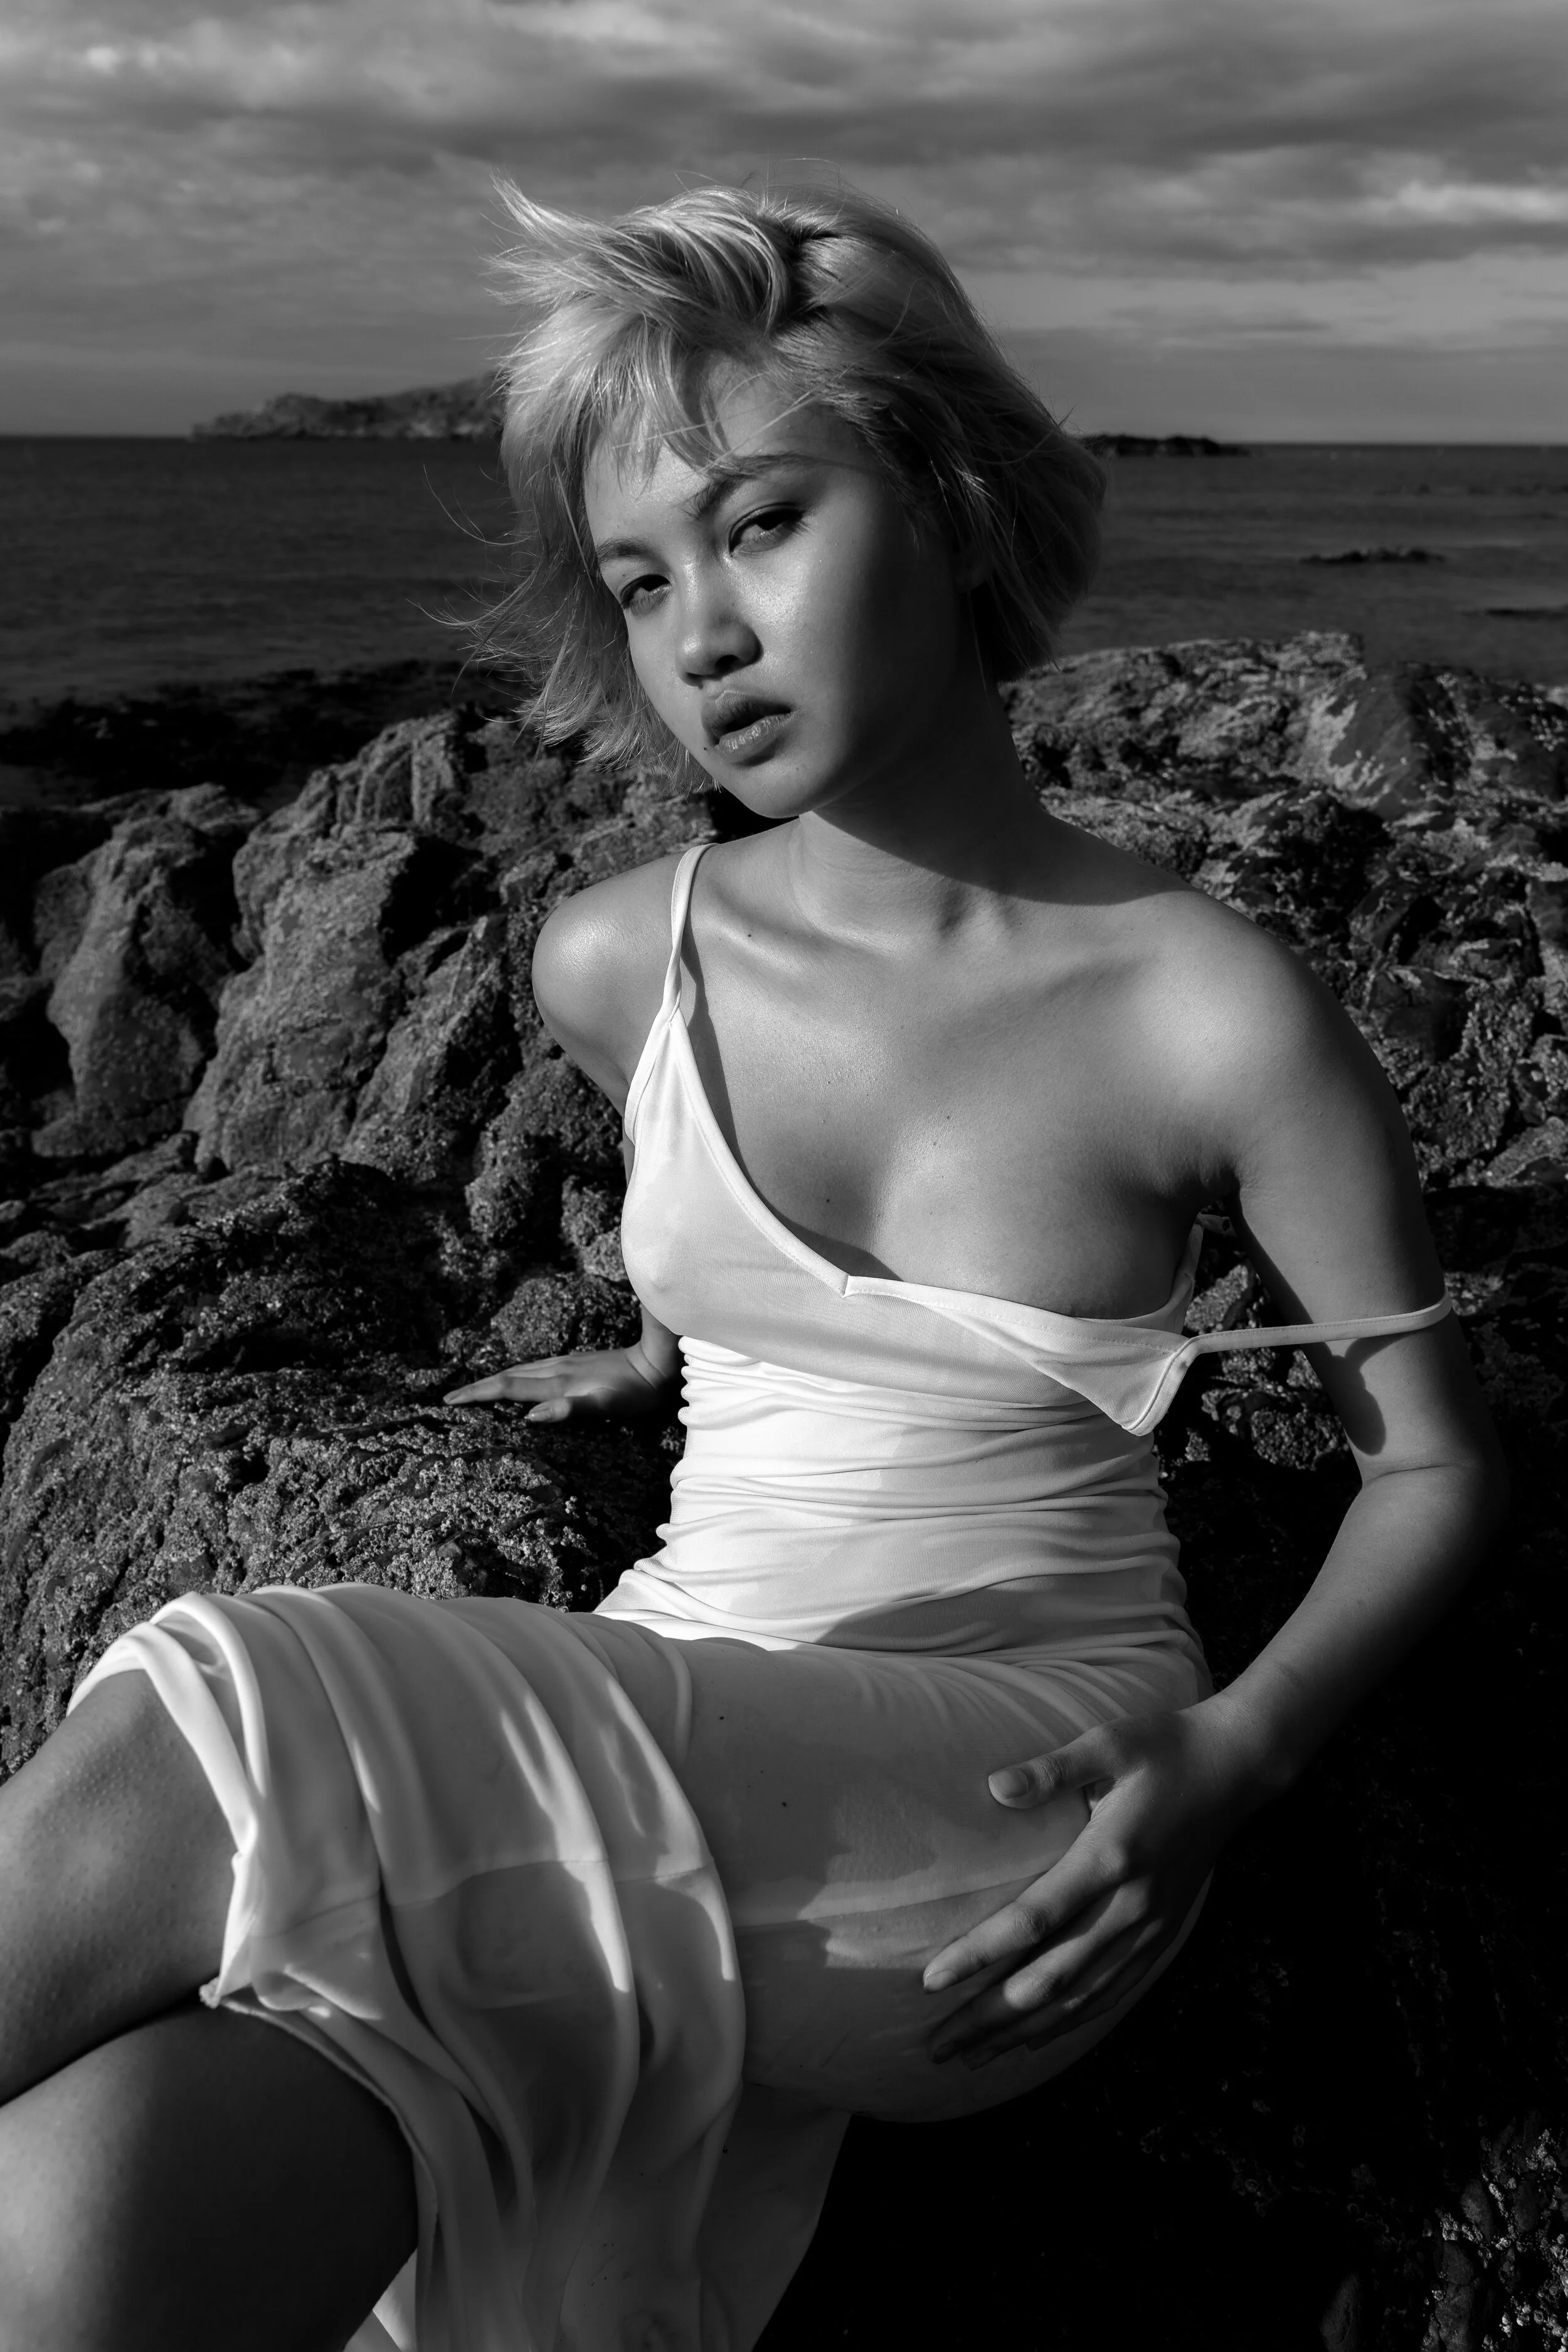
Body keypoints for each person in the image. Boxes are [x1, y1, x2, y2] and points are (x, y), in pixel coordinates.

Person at [0, 181, 1504, 2352]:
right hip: (677, 1679)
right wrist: (658, 1349)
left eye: (761, 524)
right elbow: (745, 1270)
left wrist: (1232, 1760)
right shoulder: (622, 963)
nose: (697, 629)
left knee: (221, 1698)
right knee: (86, 2211)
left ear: (954, 494)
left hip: (1005, 1804)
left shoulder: (1203, 1004)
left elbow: (1434, 1466)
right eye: (637, 577)